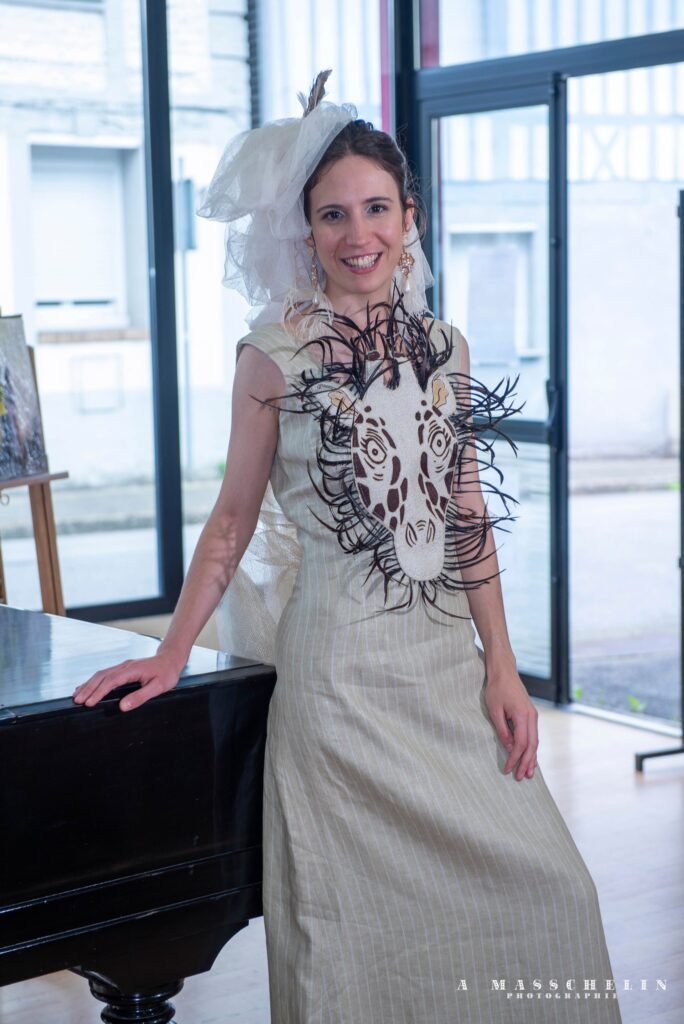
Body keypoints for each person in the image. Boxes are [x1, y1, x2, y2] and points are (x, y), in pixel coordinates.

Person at [73, 70, 623, 1022]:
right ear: (305, 231)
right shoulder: (272, 354)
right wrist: (172, 651)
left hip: (445, 678)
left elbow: (466, 516)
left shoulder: (445, 347)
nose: (356, 233)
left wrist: (501, 664)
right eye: (332, 214)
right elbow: (232, 523)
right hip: (336, 689)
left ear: (410, 217)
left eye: (376, 208)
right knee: (352, 938)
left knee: (554, 890)